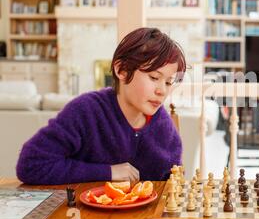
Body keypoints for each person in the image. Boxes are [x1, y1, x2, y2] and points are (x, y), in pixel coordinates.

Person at [16, 27, 186, 185]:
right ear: (121, 70)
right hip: (83, 215)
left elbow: (174, 180)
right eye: (154, 78)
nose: (162, 91)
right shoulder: (85, 111)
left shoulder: (163, 124)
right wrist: (108, 172)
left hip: (141, 217)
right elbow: (30, 165)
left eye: (169, 82)